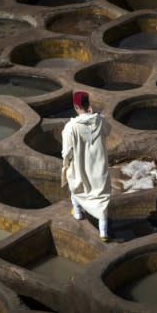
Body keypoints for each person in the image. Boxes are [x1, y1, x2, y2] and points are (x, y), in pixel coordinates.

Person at [61, 91, 111, 242]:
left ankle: (77, 213)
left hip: (81, 165)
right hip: (98, 165)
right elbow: (108, 131)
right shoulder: (100, 120)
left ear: (76, 106)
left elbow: (67, 152)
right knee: (101, 196)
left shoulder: (71, 127)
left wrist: (67, 162)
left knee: (75, 184)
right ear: (88, 104)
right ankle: (103, 233)